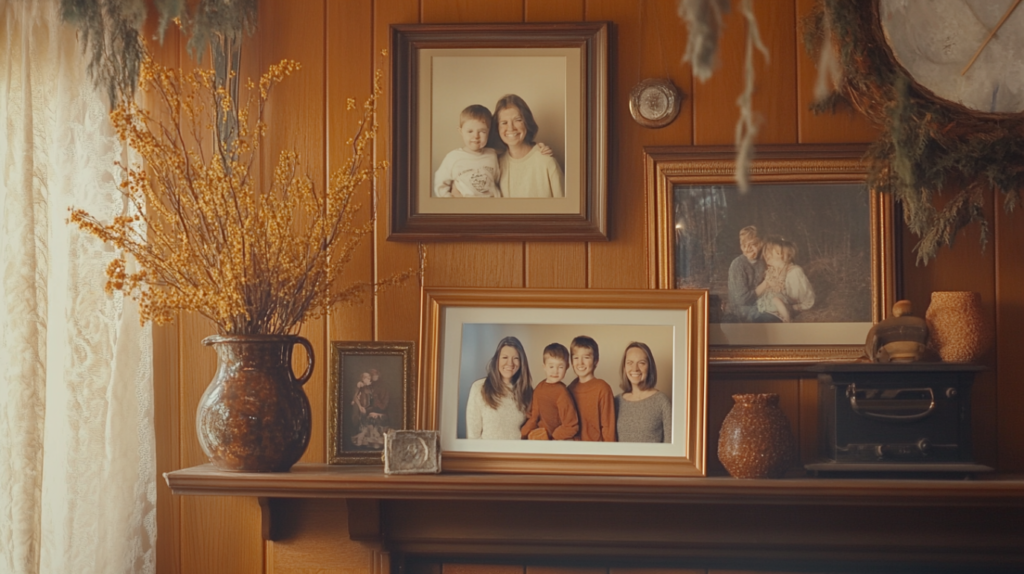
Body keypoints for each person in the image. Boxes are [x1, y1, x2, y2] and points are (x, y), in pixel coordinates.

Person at [492, 94, 565, 198]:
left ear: (526, 122)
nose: (511, 128)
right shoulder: (495, 165)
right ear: (497, 128)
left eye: (518, 120)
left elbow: (565, 210)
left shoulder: (546, 161)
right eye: (504, 122)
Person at [465, 336, 533, 440]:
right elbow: (472, 436)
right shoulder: (479, 388)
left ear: (521, 362)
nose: (510, 363)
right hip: (486, 455)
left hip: (517, 454)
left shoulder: (527, 392)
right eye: (505, 357)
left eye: (516, 358)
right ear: (497, 360)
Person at [433, 104, 501, 198]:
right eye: (470, 131)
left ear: (489, 132)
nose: (476, 136)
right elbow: (440, 183)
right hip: (464, 208)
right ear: (460, 131)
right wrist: (450, 202)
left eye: (482, 131)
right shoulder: (453, 157)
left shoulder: (492, 155)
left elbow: (497, 181)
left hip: (491, 207)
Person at [520, 343, 579, 440]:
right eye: (551, 366)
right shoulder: (539, 388)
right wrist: (524, 434)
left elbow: (571, 425)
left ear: (567, 367)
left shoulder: (562, 392)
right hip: (541, 440)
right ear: (544, 366)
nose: (555, 371)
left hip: (558, 442)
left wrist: (552, 439)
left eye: (560, 367)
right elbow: (534, 417)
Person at [615, 342, 671, 443]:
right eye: (630, 363)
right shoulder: (616, 402)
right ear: (624, 367)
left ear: (649, 367)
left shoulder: (662, 401)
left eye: (641, 363)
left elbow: (671, 446)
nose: (635, 368)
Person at [566, 335, 616, 442]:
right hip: (572, 451)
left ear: (596, 361)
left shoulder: (603, 389)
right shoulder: (568, 390)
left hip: (596, 452)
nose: (580, 363)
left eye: (586, 357)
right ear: (571, 362)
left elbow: (608, 428)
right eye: (576, 358)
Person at [727, 225, 780, 323]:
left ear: (760, 243)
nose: (748, 248)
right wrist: (766, 284)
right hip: (742, 311)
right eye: (744, 245)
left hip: (761, 305)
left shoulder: (763, 260)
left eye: (752, 244)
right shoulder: (738, 265)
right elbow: (742, 300)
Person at [755, 237, 815, 323]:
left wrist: (792, 308)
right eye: (766, 251)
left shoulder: (793, 272)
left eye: (770, 251)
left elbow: (805, 300)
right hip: (766, 308)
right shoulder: (771, 272)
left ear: (783, 255)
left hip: (780, 311)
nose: (766, 255)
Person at [350, 368, 392, 449]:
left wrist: (374, 409)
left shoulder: (382, 388)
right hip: (366, 409)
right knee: (365, 418)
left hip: (379, 411)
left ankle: (369, 436)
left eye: (371, 377)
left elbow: (382, 406)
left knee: (371, 420)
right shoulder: (365, 386)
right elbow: (357, 397)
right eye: (368, 377)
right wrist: (359, 405)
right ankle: (363, 436)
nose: (370, 378)